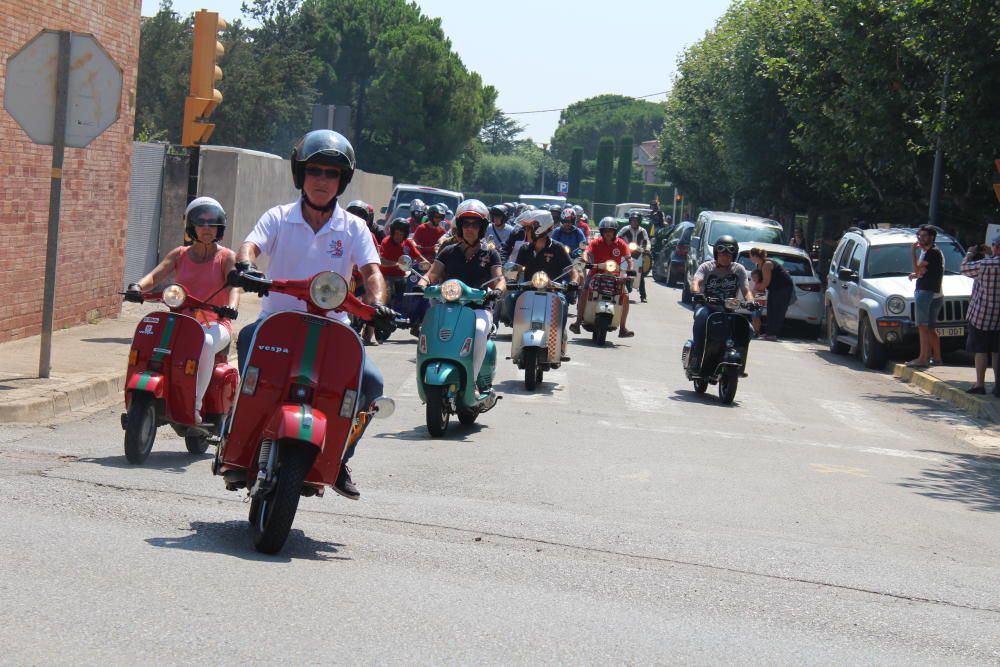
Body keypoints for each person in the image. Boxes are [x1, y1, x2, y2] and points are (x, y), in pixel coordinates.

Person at [233, 129, 396, 500]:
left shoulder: (354, 227)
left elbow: (372, 272)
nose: (322, 180)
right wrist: (246, 266)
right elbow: (250, 246)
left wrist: (378, 305)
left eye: (332, 173)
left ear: (342, 181)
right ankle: (236, 436)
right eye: (315, 170)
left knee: (371, 383)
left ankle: (340, 458)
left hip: (334, 328)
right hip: (276, 324)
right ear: (300, 175)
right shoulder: (278, 217)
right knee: (246, 342)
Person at [125, 197, 239, 424]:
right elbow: (156, 275)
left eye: (212, 223)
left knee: (205, 342)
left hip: (215, 323)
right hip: (179, 322)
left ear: (220, 228)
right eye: (201, 222)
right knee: (149, 336)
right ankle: (143, 397)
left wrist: (231, 307)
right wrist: (137, 287)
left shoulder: (226, 257)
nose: (207, 228)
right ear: (191, 226)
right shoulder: (180, 254)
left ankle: (193, 406)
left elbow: (234, 286)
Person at [413, 200, 506, 390]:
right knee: (429, 329)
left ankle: (471, 380)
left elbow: (499, 278)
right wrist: (422, 284)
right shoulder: (448, 251)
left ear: (482, 228)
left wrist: (497, 291)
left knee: (480, 331)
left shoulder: (490, 254)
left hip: (478, 308)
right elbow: (432, 274)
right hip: (449, 306)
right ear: (459, 226)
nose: (469, 228)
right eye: (465, 224)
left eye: (474, 224)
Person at [514, 209, 579, 352]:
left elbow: (572, 271)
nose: (526, 232)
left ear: (539, 229)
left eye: (529, 229)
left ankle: (560, 337)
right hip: (528, 290)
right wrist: (510, 277)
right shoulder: (525, 249)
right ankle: (518, 337)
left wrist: (573, 281)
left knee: (562, 303)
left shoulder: (557, 248)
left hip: (553, 290)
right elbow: (516, 269)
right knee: (513, 299)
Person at [687, 235, 755, 369]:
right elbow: (696, 281)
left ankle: (736, 358)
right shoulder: (706, 267)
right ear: (716, 253)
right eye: (722, 253)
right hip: (707, 307)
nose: (725, 257)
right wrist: (697, 293)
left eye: (729, 255)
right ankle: (697, 356)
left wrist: (751, 302)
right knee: (701, 317)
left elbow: (746, 290)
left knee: (749, 330)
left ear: (734, 255)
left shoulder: (738, 269)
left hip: (729, 309)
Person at [569, 216, 635, 338]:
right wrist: (585, 259)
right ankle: (578, 322)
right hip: (595, 274)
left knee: (625, 295)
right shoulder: (596, 242)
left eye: (610, 231)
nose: (608, 233)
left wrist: (630, 269)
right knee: (584, 291)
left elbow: (629, 259)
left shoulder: (621, 243)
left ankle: (623, 328)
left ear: (615, 232)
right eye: (605, 231)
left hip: (615, 276)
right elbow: (587, 252)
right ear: (601, 232)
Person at [960, 235, 1000, 395]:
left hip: (982, 315)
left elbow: (964, 268)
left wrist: (970, 253)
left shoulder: (985, 264)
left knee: (981, 351)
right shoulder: (990, 261)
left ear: (996, 247)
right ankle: (998, 386)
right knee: (997, 352)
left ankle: (980, 384)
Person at [905, 225, 945, 368]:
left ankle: (922, 359)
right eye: (919, 236)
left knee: (922, 326)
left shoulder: (932, 252)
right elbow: (925, 271)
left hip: (926, 292)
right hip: (936, 293)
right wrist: (916, 275)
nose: (921, 239)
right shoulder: (931, 252)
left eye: (924, 236)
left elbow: (918, 268)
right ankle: (937, 358)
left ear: (931, 237)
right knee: (930, 328)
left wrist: (912, 253)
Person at [748, 246, 794, 341]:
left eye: (750, 256)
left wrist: (755, 290)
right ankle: (768, 332)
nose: (750, 258)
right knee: (770, 309)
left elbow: (765, 283)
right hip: (774, 289)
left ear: (755, 256)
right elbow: (760, 284)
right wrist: (757, 297)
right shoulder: (759, 265)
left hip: (783, 288)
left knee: (778, 310)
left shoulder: (767, 264)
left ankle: (773, 334)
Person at [617, 211, 652, 302]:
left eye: (636, 220)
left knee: (640, 275)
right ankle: (618, 291)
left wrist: (647, 248)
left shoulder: (643, 230)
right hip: (626, 253)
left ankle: (643, 296)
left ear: (639, 221)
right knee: (622, 271)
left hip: (638, 253)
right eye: (633, 220)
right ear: (630, 221)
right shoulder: (625, 229)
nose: (634, 222)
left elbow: (647, 240)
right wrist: (619, 245)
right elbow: (617, 237)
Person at [749, 268, 767, 335]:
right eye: (753, 277)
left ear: (760, 277)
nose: (754, 279)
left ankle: (757, 330)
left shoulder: (761, 284)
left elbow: (762, 295)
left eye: (755, 277)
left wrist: (753, 292)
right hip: (755, 304)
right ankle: (754, 330)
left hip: (759, 304)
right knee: (754, 317)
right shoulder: (756, 284)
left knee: (757, 317)